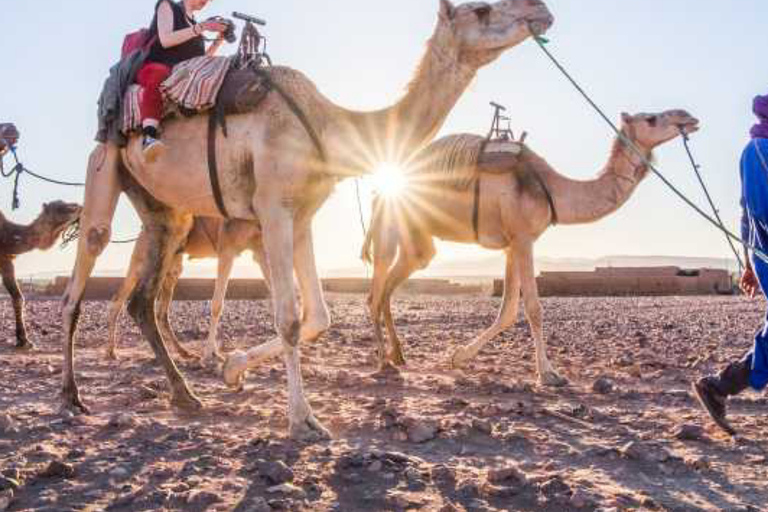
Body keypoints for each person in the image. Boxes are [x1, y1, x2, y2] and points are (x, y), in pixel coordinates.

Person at [693, 94, 768, 436]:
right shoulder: (758, 152)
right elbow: (756, 212)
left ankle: (721, 386)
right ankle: (721, 385)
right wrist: (751, 261)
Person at [139, 0, 228, 161]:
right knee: (160, 73)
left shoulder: (196, 26)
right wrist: (203, 27)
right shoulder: (167, 6)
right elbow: (165, 40)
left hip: (182, 71)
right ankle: (149, 136)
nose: (207, 1)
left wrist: (219, 41)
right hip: (156, 66)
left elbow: (200, 61)